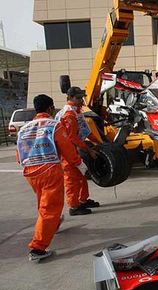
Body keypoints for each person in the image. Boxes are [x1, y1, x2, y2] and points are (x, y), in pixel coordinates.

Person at [17, 94, 86, 262]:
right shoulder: (53, 125)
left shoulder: (25, 128)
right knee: (50, 208)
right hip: (49, 170)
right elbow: (67, 148)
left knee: (44, 203)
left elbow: (19, 155)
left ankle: (53, 225)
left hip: (31, 172)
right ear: (50, 108)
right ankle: (37, 248)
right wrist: (79, 164)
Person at [55, 86, 100, 216]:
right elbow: (72, 137)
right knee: (72, 179)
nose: (81, 100)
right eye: (78, 98)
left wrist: (98, 142)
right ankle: (74, 206)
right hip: (67, 152)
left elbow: (84, 130)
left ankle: (82, 200)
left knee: (81, 175)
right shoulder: (69, 114)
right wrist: (89, 150)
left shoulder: (76, 111)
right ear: (70, 98)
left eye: (82, 97)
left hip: (74, 149)